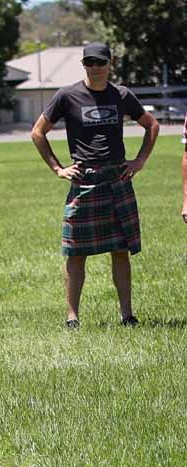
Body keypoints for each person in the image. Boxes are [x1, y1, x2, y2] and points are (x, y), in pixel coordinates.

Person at [31, 42, 159, 329]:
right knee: (75, 252)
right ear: (84, 64)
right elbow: (37, 132)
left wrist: (139, 161)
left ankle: (127, 315)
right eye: (90, 62)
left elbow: (152, 125)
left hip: (116, 179)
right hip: (84, 180)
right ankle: (72, 317)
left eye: (100, 62)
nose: (96, 67)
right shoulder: (67, 96)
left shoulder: (122, 95)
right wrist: (57, 168)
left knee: (120, 250)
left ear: (110, 63)